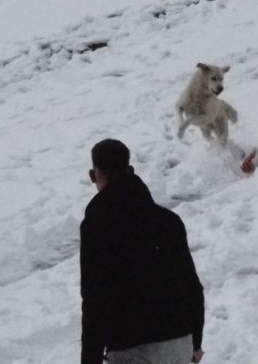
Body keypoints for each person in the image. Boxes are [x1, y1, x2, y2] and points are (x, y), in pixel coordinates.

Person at [80, 139, 205, 364]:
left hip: (132, 349)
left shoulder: (97, 226)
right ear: (130, 170)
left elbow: (94, 300)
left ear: (93, 176)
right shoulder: (169, 221)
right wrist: (195, 343)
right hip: (179, 343)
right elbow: (192, 286)